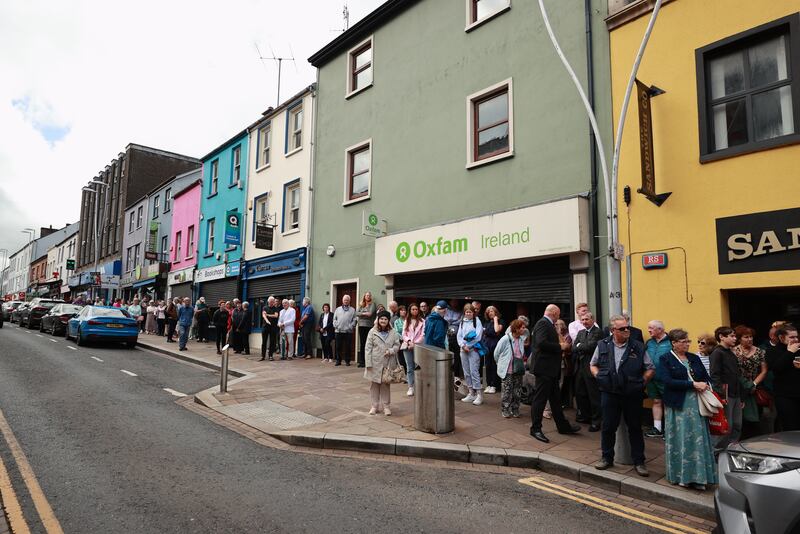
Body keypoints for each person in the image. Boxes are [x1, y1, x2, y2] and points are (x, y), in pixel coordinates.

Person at [590, 314, 654, 476]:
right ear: (613, 330)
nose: (627, 331)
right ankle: (606, 458)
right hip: (609, 393)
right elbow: (593, 364)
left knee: (635, 427)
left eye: (628, 327)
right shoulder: (602, 345)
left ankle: (639, 461)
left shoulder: (638, 346)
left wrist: (642, 382)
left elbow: (650, 367)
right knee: (608, 427)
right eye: (622, 329)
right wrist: (599, 376)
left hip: (632, 394)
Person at [657, 328, 717, 490]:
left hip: (696, 404)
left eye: (688, 341)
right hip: (678, 405)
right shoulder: (665, 358)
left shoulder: (693, 358)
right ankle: (682, 477)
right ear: (674, 343)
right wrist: (692, 384)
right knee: (682, 439)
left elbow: (706, 377)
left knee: (698, 439)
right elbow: (667, 381)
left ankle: (700, 477)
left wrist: (705, 384)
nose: (687, 344)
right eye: (683, 342)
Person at [530, 304, 581, 443]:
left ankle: (563, 426)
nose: (559, 317)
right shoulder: (543, 323)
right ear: (553, 313)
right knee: (540, 400)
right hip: (544, 369)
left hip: (551, 369)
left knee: (555, 400)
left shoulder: (549, 324)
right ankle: (535, 429)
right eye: (558, 314)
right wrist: (560, 346)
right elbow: (541, 343)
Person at [710, 326, 743, 455]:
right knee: (725, 426)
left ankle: (731, 450)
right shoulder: (717, 353)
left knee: (737, 424)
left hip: (735, 394)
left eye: (735, 336)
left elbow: (736, 375)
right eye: (731, 336)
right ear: (721, 337)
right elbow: (715, 375)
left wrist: (741, 396)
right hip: (726, 395)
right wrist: (721, 395)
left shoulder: (730, 352)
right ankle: (717, 452)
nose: (735, 338)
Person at [734, 325, 768, 440]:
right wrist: (744, 385)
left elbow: (764, 371)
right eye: (746, 337)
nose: (749, 339)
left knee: (756, 419)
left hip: (755, 387)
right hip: (738, 387)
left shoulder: (760, 351)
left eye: (751, 337)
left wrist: (753, 384)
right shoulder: (734, 351)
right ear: (739, 339)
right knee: (740, 419)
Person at [364, 310, 401, 416]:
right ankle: (374, 406)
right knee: (374, 385)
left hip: (388, 363)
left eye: (385, 319)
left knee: (385, 385)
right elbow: (368, 348)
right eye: (381, 319)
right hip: (375, 362)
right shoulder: (372, 331)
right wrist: (368, 363)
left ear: (388, 320)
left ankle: (386, 407)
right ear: (378, 320)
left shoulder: (393, 332)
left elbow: (397, 345)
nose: (383, 321)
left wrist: (391, 351)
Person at [765, 324, 800, 431]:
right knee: (790, 427)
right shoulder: (772, 351)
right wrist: (790, 352)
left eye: (796, 337)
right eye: (792, 337)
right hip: (784, 396)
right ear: (781, 337)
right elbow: (776, 368)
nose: (796, 339)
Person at [573, 312, 603, 431]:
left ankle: (596, 421)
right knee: (580, 393)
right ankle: (585, 416)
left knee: (594, 395)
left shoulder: (598, 332)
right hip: (580, 367)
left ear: (592, 320)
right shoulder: (581, 332)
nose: (584, 321)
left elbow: (591, 347)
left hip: (591, 367)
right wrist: (580, 346)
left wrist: (580, 345)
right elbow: (574, 347)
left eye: (587, 319)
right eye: (583, 320)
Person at [644, 320, 673, 439]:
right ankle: (657, 428)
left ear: (660, 329)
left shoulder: (670, 342)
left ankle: (669, 430)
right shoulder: (649, 342)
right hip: (652, 378)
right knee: (656, 401)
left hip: (666, 378)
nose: (649, 330)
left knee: (668, 403)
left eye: (651, 328)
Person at [494, 319, 527, 418]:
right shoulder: (505, 339)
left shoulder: (521, 339)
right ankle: (505, 409)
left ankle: (515, 409)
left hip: (518, 369)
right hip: (507, 370)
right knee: (507, 391)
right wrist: (500, 364)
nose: (524, 329)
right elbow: (496, 353)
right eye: (522, 328)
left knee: (517, 391)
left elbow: (521, 353)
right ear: (516, 329)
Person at [457, 303, 485, 405]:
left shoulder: (477, 321)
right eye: (466, 312)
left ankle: (479, 395)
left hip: (473, 350)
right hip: (463, 350)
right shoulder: (462, 322)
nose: (468, 314)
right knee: (466, 372)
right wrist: (462, 345)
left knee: (474, 372)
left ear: (473, 312)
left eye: (470, 312)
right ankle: (471, 393)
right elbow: (459, 336)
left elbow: (478, 336)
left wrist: (468, 346)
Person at [401, 303, 424, 396]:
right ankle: (411, 386)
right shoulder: (406, 320)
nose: (414, 311)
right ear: (410, 311)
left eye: (416, 309)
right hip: (407, 346)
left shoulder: (422, 321)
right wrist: (409, 341)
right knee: (410, 367)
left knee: (418, 366)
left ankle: (418, 386)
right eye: (413, 309)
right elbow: (403, 334)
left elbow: (423, 334)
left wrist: (415, 343)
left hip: (418, 346)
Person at [482, 306, 504, 395]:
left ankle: (494, 385)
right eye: (488, 312)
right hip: (487, 346)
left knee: (494, 365)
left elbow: (496, 330)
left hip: (496, 345)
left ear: (496, 312)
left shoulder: (501, 321)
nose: (490, 313)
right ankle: (488, 385)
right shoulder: (486, 323)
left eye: (492, 311)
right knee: (487, 365)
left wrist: (495, 320)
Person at [333, 295, 356, 366]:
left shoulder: (353, 310)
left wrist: (350, 327)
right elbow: (334, 319)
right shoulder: (338, 309)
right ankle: (338, 360)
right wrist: (336, 326)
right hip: (338, 331)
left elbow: (355, 320)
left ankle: (347, 361)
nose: (346, 301)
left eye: (347, 300)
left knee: (348, 347)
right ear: (342, 301)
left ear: (349, 301)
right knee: (338, 347)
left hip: (348, 332)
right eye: (344, 300)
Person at [356, 292, 377, 368]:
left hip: (369, 326)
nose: (368, 296)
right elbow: (356, 313)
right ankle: (362, 362)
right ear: (364, 296)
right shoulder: (361, 304)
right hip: (361, 326)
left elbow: (370, 314)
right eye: (366, 295)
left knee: (368, 344)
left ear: (370, 297)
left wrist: (361, 314)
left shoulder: (373, 304)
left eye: (369, 295)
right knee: (362, 344)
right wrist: (365, 313)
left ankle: (368, 362)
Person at [263, 297, 281, 361]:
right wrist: (267, 320)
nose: (272, 303)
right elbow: (263, 315)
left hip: (273, 327)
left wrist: (268, 315)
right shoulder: (265, 307)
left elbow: (276, 315)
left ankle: (270, 356)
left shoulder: (276, 309)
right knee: (264, 342)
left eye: (273, 301)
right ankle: (263, 356)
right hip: (265, 326)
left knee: (272, 342)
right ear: (268, 301)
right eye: (271, 301)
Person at [394, 305, 407, 371]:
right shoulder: (396, 321)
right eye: (402, 310)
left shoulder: (408, 320)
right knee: (401, 357)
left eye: (404, 310)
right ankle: (404, 372)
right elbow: (396, 332)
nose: (403, 311)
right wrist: (403, 338)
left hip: (409, 341)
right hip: (401, 341)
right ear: (399, 312)